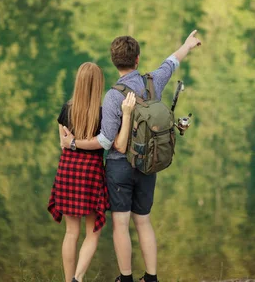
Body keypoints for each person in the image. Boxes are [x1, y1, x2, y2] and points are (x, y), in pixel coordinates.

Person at [60, 31, 202, 282]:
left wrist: (72, 142)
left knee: (121, 225)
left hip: (119, 168)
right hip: (149, 163)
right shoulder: (153, 82)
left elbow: (105, 141)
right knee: (144, 222)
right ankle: (151, 277)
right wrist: (187, 45)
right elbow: (171, 62)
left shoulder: (113, 95)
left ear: (114, 61)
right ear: (137, 59)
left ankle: (125, 278)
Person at [49, 62, 136, 282]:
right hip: (90, 174)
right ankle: (78, 278)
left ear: (78, 82)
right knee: (92, 233)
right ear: (98, 85)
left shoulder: (66, 110)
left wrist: (72, 143)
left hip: (68, 171)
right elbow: (108, 143)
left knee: (70, 233)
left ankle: (69, 281)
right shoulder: (101, 113)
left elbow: (63, 142)